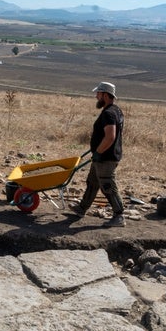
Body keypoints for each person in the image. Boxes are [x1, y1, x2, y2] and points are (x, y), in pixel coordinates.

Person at [69, 81, 126, 227]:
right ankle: (82, 209)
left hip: (106, 158)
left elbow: (110, 137)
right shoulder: (116, 110)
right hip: (102, 156)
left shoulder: (109, 113)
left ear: (105, 95)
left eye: (98, 94)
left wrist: (99, 152)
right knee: (92, 182)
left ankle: (119, 216)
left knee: (107, 185)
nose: (96, 96)